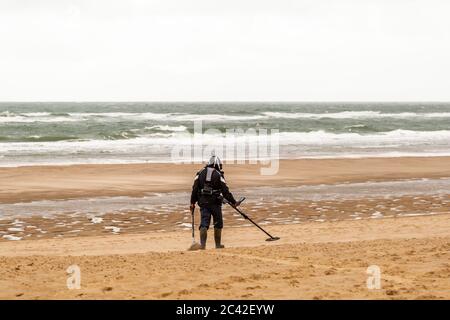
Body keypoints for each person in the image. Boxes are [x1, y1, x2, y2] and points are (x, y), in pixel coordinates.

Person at [190, 155, 239, 249]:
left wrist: (192, 202)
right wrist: (233, 202)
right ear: (216, 164)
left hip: (203, 202)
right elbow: (225, 191)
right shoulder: (218, 174)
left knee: (204, 223)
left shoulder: (199, 173)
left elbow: (195, 189)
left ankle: (202, 246)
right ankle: (218, 245)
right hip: (215, 202)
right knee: (218, 223)